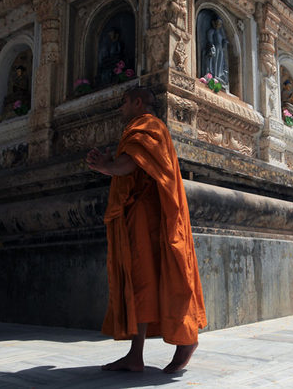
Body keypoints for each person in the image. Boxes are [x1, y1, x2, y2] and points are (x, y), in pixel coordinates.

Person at [86, 87, 207, 373]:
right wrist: (110, 166)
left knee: (166, 275)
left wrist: (107, 167)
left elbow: (131, 164)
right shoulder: (142, 128)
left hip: (151, 218)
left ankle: (186, 338)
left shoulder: (149, 125)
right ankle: (135, 355)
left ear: (138, 102)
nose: (121, 108)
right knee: (140, 283)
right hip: (138, 216)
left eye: (124, 102)